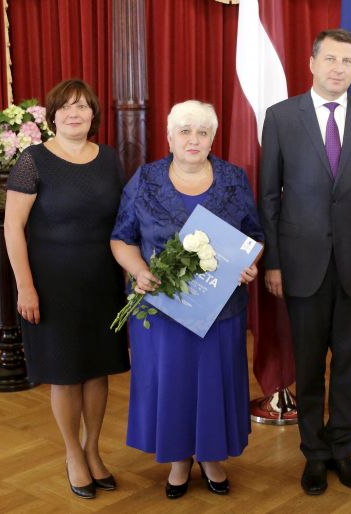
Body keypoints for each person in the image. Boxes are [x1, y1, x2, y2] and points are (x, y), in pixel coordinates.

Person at [259, 28, 351, 495]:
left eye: (348, 61)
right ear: (312, 63)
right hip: (301, 264)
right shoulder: (281, 117)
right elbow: (269, 197)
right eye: (332, 59)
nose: (340, 68)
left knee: (348, 364)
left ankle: (342, 450)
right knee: (308, 364)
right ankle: (314, 455)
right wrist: (274, 263)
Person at [110, 100, 263, 500]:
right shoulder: (145, 179)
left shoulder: (233, 178)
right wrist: (138, 270)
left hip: (220, 309)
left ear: (212, 139)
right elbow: (122, 237)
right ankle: (178, 460)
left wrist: (248, 264)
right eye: (185, 131)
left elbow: (254, 235)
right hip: (161, 306)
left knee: (215, 381)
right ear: (169, 137)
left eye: (202, 132)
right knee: (171, 382)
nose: (193, 139)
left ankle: (212, 457)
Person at [4, 79, 130, 499]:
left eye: (82, 106)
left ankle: (93, 449)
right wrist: (25, 287)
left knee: (97, 370)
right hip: (51, 285)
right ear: (53, 115)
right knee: (65, 373)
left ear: (94, 115)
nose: (74, 113)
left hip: (102, 282)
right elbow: (14, 228)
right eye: (65, 107)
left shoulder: (109, 159)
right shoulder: (33, 160)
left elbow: (123, 221)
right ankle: (73, 454)